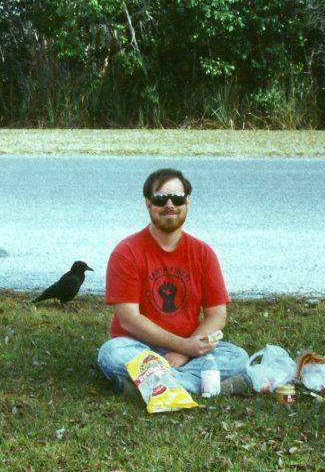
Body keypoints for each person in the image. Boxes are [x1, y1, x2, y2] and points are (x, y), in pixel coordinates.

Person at [97, 167, 251, 396]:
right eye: (160, 199)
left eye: (177, 198)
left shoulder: (203, 253)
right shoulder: (126, 252)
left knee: (238, 357)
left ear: (187, 202)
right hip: (139, 346)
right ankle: (204, 386)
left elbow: (217, 315)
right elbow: (128, 319)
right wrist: (182, 347)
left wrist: (186, 351)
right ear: (148, 203)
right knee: (111, 353)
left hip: (189, 348)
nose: (170, 205)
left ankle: (150, 385)